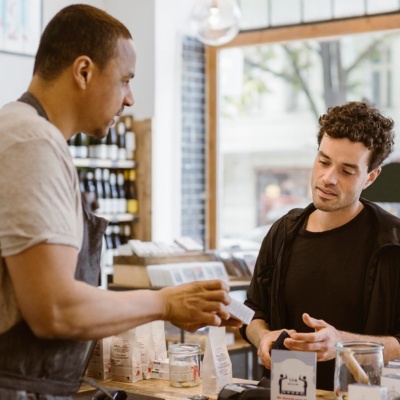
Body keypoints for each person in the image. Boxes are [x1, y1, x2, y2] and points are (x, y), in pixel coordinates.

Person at [0, 5, 240, 399]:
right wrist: (164, 302)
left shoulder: (22, 131)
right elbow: (55, 309)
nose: (130, 98)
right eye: (125, 79)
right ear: (83, 72)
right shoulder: (32, 142)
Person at [240, 101, 400, 390]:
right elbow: (253, 313)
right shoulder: (282, 232)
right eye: (324, 162)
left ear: (371, 177)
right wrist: (262, 336)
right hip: (285, 392)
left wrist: (343, 343)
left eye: (347, 171)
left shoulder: (393, 243)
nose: (328, 178)